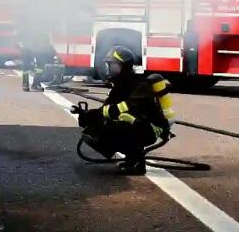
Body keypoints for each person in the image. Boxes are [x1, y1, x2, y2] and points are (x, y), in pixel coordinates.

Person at [74, 47, 175, 175]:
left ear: (124, 66)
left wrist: (100, 116)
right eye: (108, 65)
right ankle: (131, 159)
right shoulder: (120, 85)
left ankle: (137, 163)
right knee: (96, 128)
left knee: (123, 120)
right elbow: (105, 109)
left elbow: (123, 108)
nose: (109, 68)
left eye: (112, 64)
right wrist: (88, 116)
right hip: (140, 126)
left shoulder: (139, 85)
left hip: (152, 129)